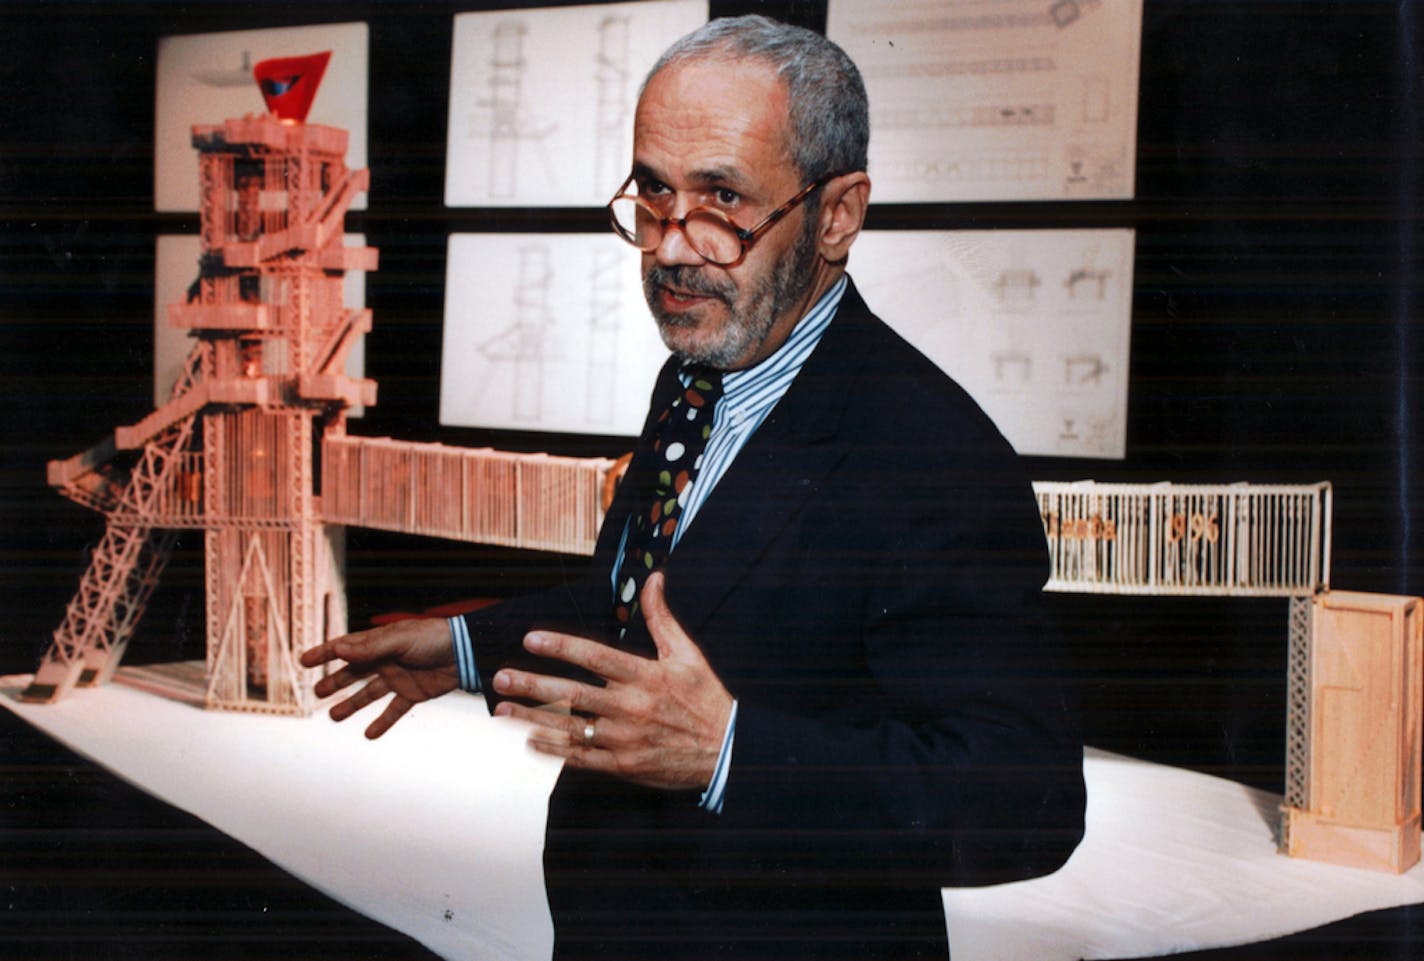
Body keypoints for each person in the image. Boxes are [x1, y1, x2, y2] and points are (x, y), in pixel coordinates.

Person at [302, 15, 1084, 960]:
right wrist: (464, 646)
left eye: (721, 199)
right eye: (654, 195)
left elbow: (1028, 796)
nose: (672, 248)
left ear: (838, 214)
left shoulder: (931, 454)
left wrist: (730, 757)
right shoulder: (697, 373)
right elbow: (646, 605)